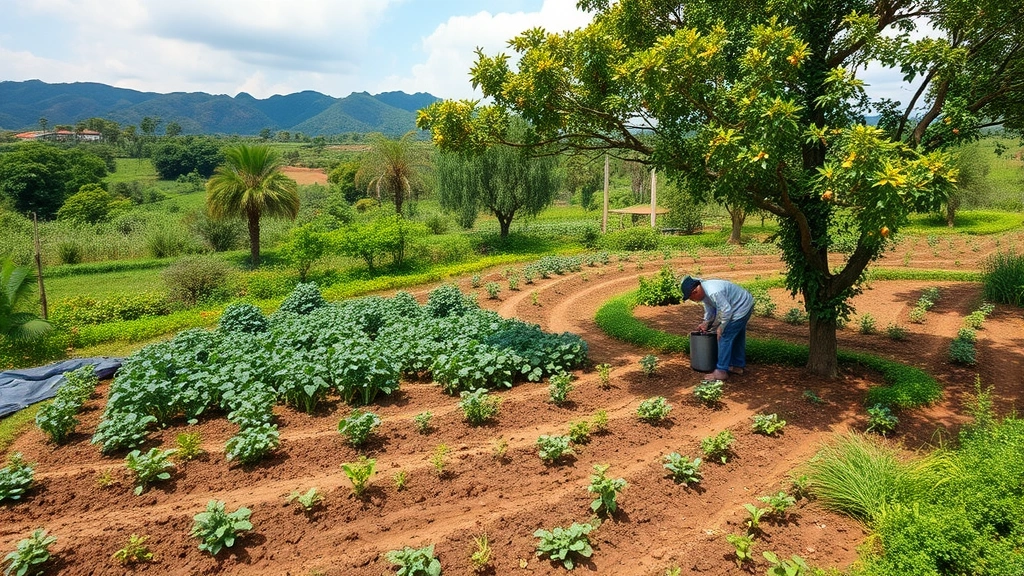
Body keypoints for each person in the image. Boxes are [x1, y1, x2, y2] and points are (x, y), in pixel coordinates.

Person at [680, 275, 754, 380]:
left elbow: (726, 310)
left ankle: (721, 371)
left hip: (740, 307)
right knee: (737, 336)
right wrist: (706, 322)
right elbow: (711, 310)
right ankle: (737, 365)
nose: (694, 300)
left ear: (695, 291)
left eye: (691, 298)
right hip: (742, 303)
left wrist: (721, 327)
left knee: (724, 337)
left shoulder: (713, 291)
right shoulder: (705, 293)